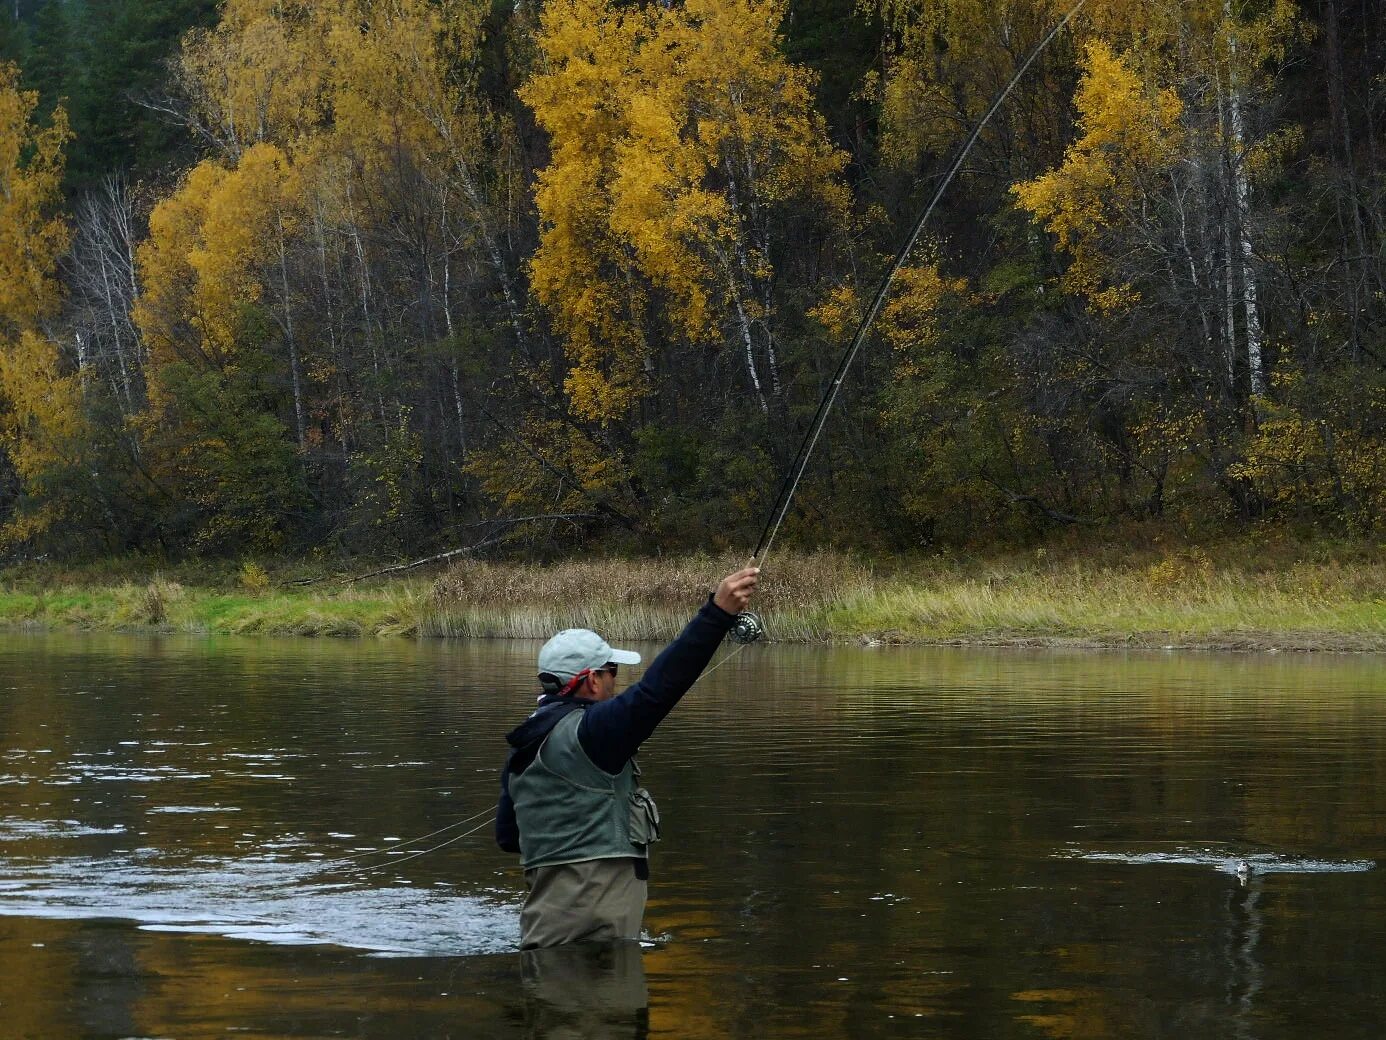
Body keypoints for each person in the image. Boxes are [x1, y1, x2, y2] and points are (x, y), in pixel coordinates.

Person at [496, 566, 759, 949]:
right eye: (612, 672)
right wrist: (717, 613)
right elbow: (659, 689)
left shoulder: (525, 742)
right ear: (590, 680)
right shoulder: (594, 732)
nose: (616, 681)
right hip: (594, 941)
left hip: (542, 931)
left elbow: (508, 837)